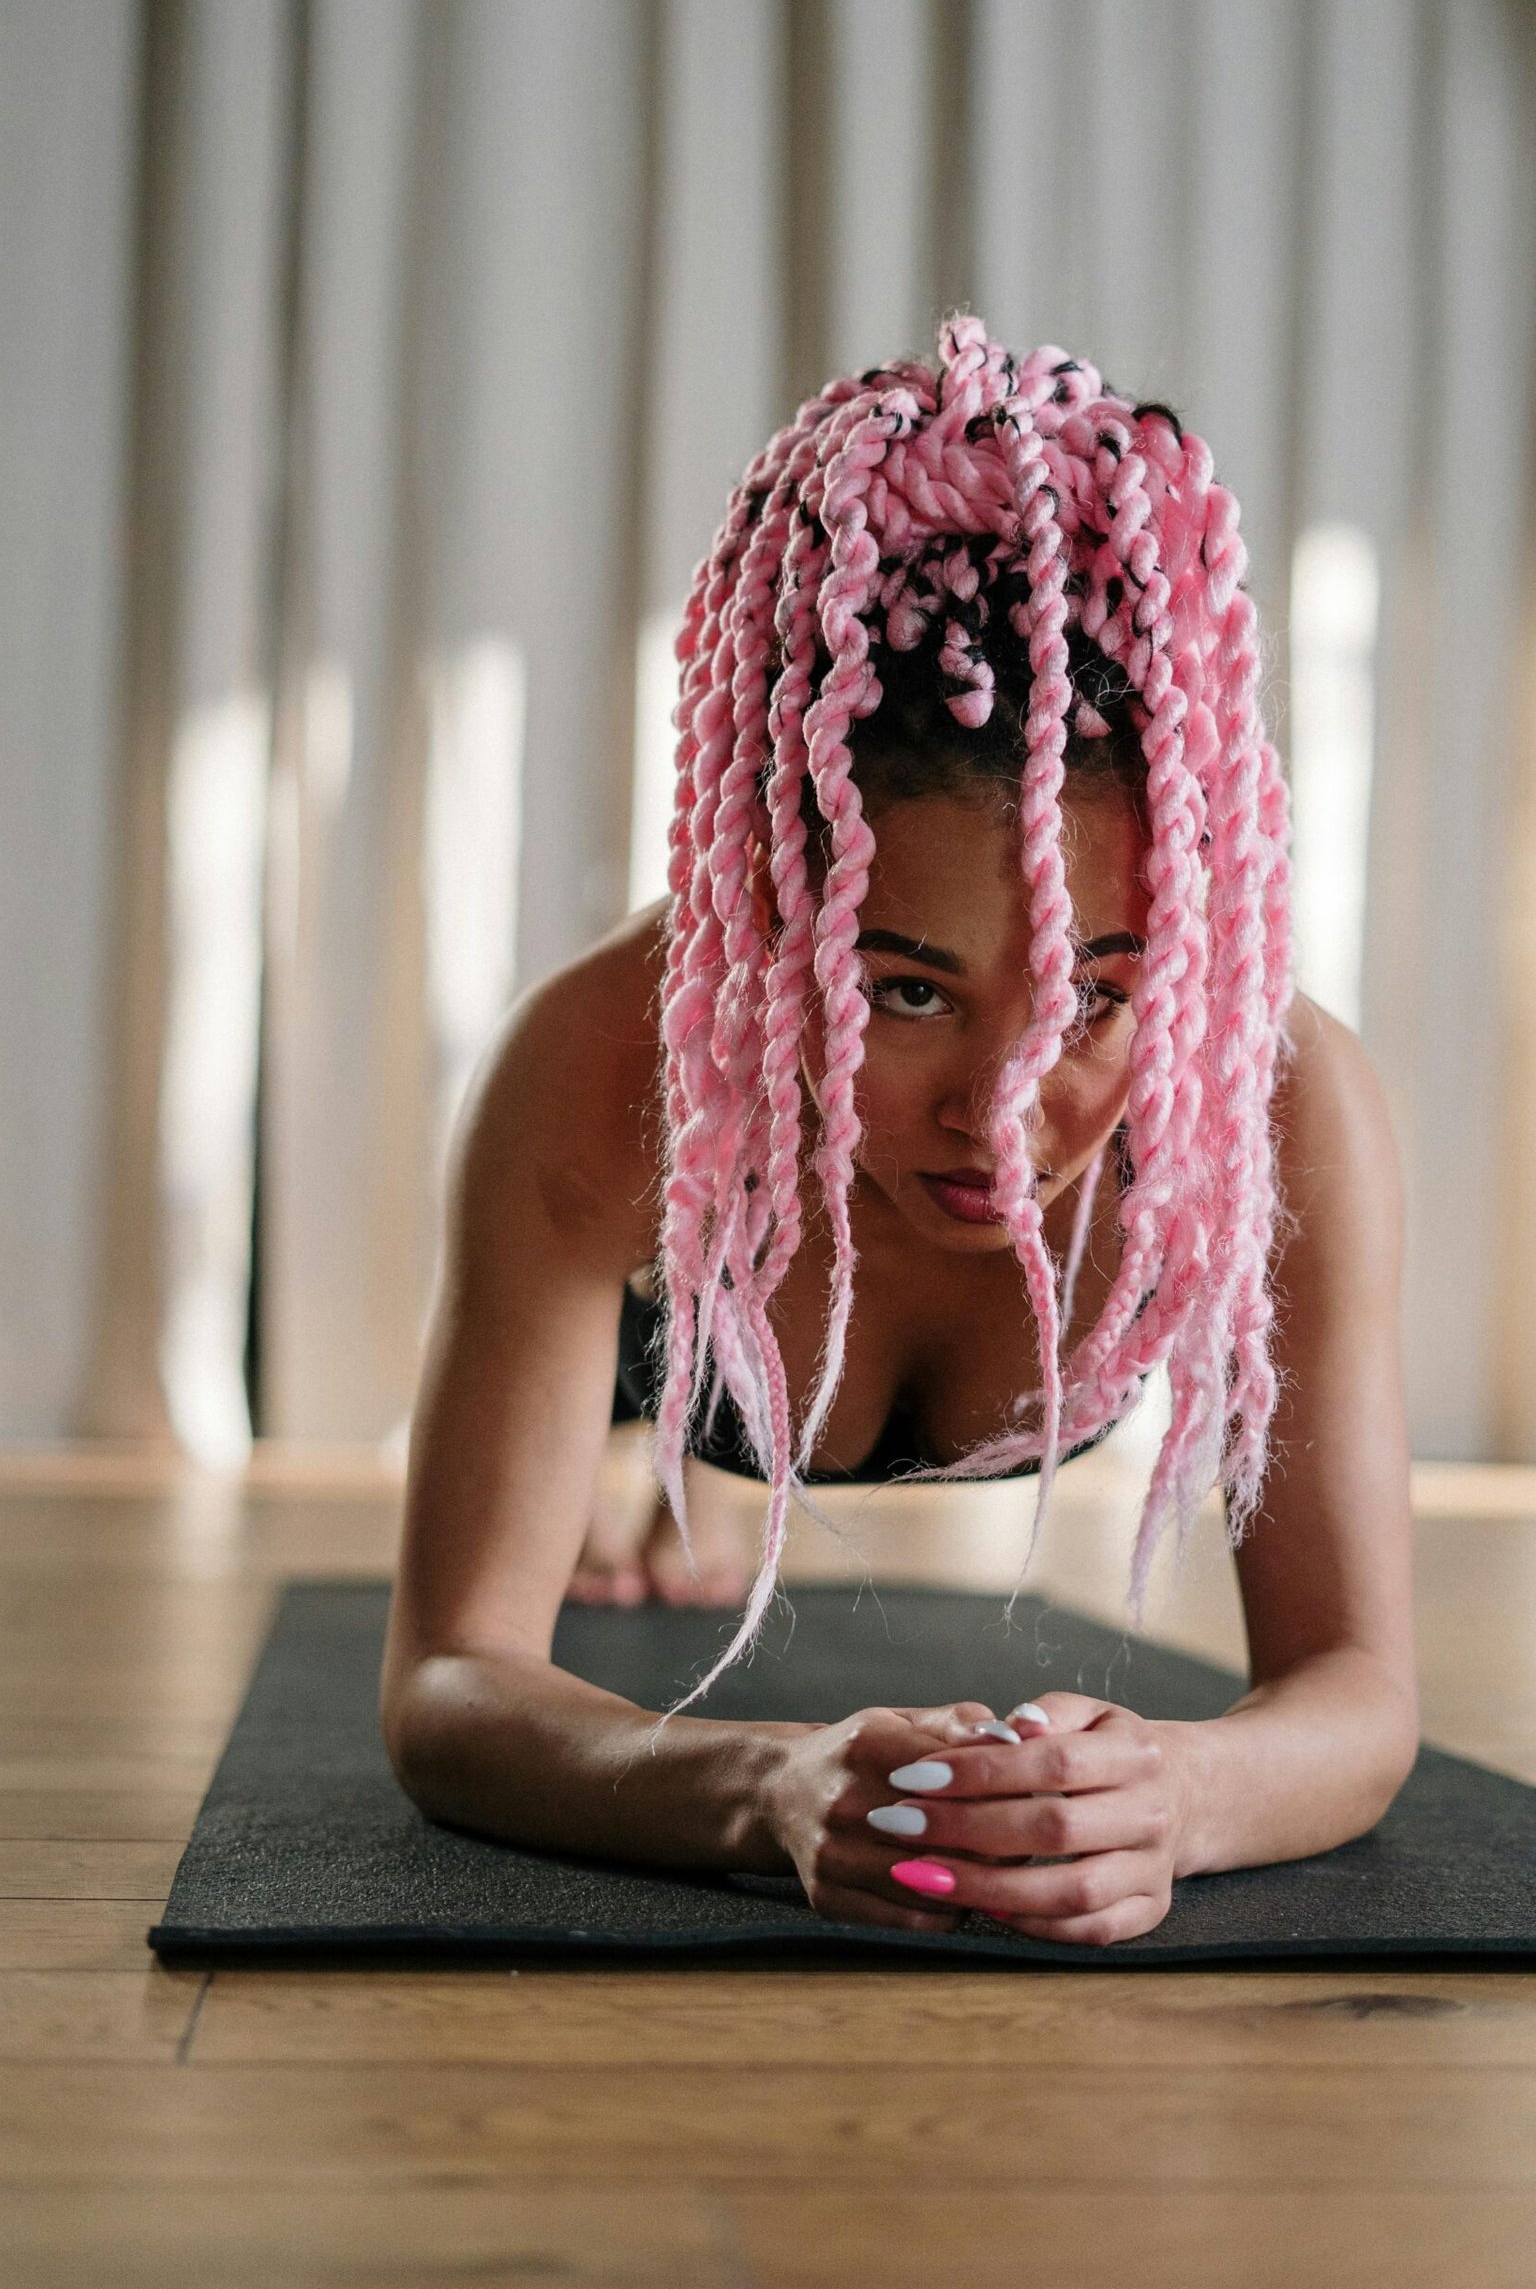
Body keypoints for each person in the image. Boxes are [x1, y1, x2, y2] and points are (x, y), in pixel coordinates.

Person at [380, 316, 1418, 1946]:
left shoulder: (1285, 1107)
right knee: (617, 1495)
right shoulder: (602, 1064)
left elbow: (1357, 1688)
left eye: (1096, 1001)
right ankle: (660, 1470)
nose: (1007, 1120)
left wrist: (1174, 1797)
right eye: (908, 993)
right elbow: (450, 1682)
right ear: (774, 909)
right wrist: (765, 1786)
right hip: (697, 1320)